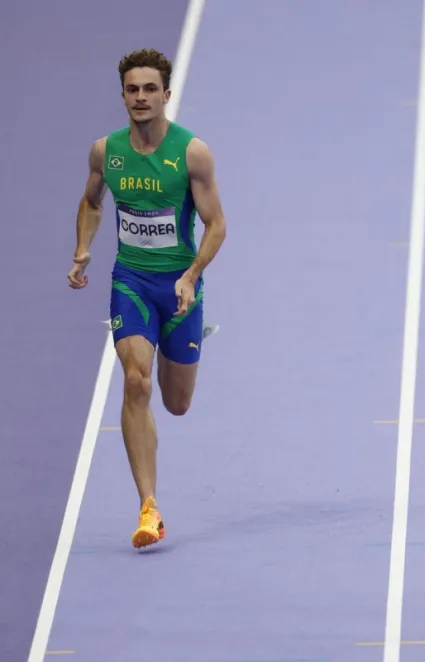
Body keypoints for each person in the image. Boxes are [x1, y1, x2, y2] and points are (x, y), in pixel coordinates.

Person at [67, 48, 228, 549]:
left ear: (166, 95)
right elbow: (92, 201)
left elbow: (216, 225)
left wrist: (192, 275)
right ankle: (149, 507)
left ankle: (188, 335)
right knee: (135, 381)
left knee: (176, 403)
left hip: (179, 288)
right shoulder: (106, 151)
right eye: (132, 89)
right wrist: (83, 248)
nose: (141, 97)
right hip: (131, 283)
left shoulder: (192, 153)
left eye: (150, 89)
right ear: (122, 96)